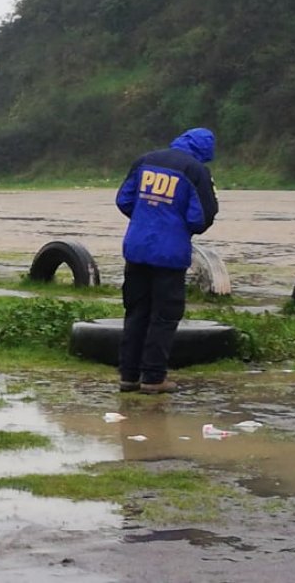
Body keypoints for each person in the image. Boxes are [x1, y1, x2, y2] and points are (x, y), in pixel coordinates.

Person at [115, 128, 218, 394]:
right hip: (170, 255)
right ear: (205, 151)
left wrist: (145, 218)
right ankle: (153, 378)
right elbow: (200, 218)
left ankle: (128, 377)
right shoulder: (196, 171)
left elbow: (124, 200)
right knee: (164, 316)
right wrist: (174, 226)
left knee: (136, 312)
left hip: (136, 249)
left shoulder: (145, 160)